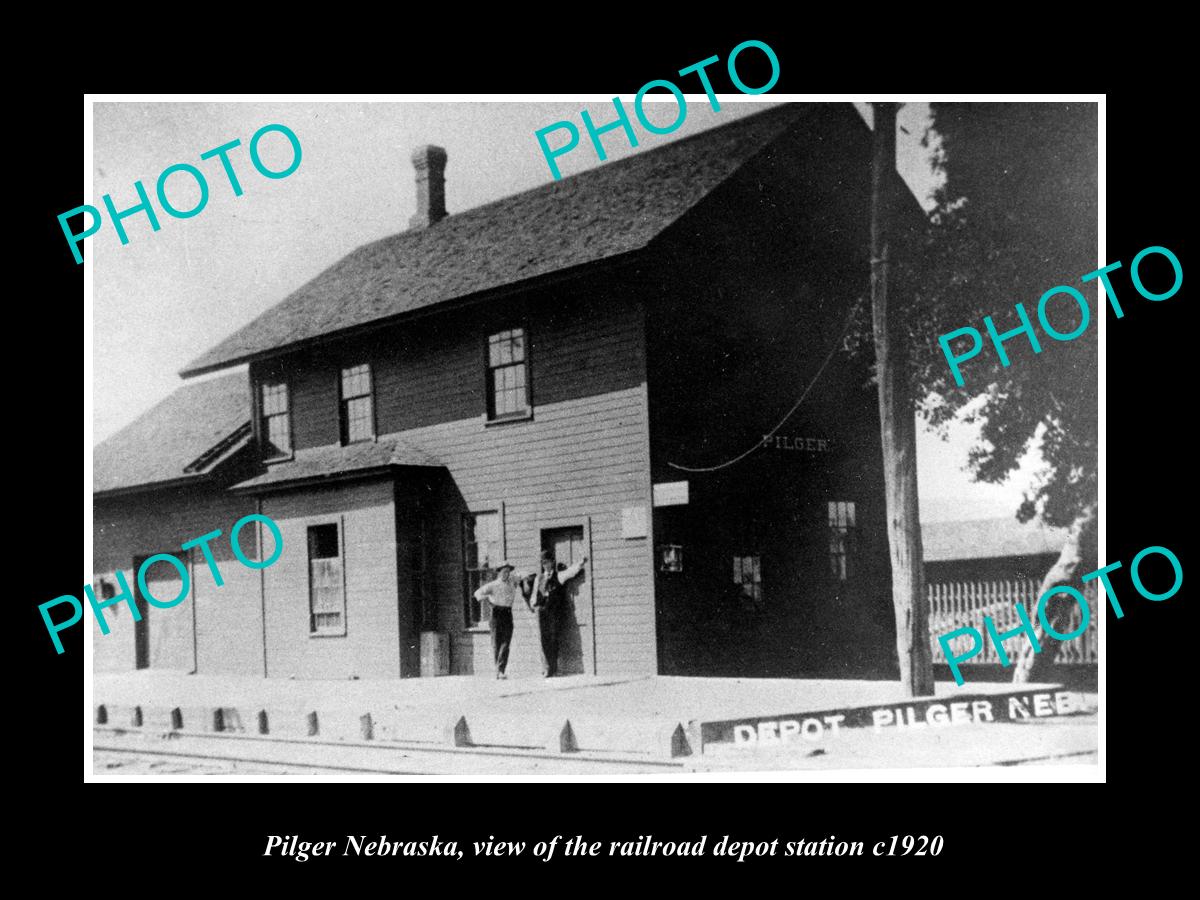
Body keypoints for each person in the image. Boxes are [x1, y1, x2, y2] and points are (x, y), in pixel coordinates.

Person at [526, 549, 587, 678]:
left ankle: (553, 668)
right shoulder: (539, 578)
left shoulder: (558, 576)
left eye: (547, 563)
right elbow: (534, 594)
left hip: (555, 613)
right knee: (544, 640)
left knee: (553, 639)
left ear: (552, 563)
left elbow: (571, 572)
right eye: (543, 563)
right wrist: (533, 603)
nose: (545, 566)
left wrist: (581, 563)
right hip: (543, 612)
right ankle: (548, 668)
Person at [473, 561, 525, 679]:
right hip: (496, 614)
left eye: (507, 571)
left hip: (507, 613)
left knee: (506, 642)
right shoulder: (493, 585)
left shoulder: (512, 582)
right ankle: (499, 670)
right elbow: (477, 593)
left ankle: (500, 669)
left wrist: (520, 576)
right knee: (496, 643)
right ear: (499, 572)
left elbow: (525, 575)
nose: (505, 574)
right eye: (503, 571)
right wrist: (485, 598)